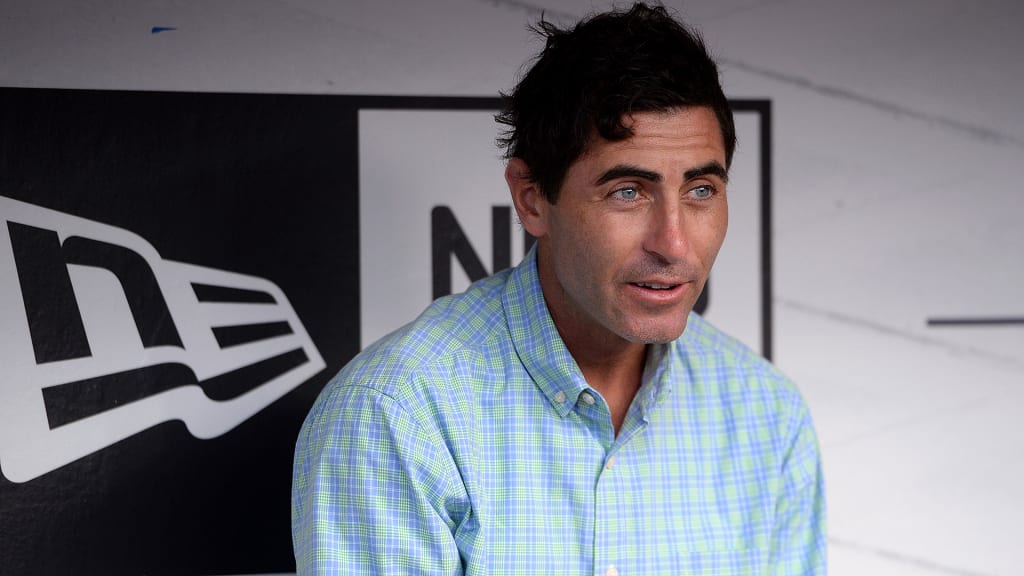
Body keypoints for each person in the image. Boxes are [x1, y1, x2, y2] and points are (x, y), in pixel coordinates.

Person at [291, 3, 826, 574]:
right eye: (628, 191)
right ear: (531, 199)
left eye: (700, 190)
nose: (674, 244)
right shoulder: (397, 415)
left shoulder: (764, 411)